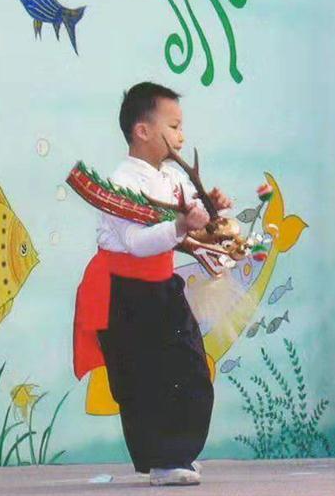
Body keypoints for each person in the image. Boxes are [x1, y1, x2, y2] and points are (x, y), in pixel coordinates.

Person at [73, 82, 231, 486]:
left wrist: (209, 213)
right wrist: (180, 225)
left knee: (192, 366)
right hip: (126, 294)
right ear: (142, 130)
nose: (182, 136)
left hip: (162, 288)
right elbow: (137, 243)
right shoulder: (120, 183)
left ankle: (179, 451)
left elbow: (183, 233)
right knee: (143, 379)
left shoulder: (169, 180)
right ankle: (163, 461)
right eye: (174, 126)